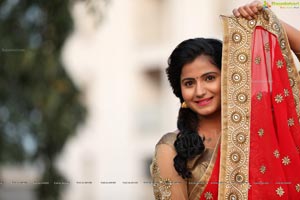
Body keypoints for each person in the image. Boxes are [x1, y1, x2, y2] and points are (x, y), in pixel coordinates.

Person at [150, 1, 300, 200]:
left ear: (230, 76)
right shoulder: (171, 149)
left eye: (210, 78)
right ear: (180, 91)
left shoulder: (264, 126)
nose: (200, 91)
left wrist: (270, 22)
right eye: (189, 83)